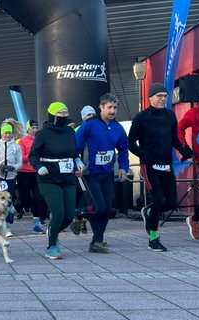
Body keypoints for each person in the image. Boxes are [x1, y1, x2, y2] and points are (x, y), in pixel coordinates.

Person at [128, 83, 191, 252]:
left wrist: (183, 150)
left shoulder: (170, 115)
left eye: (165, 96)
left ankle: (149, 212)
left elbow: (174, 139)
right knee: (158, 199)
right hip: (150, 165)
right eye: (159, 96)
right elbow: (130, 143)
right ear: (150, 98)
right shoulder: (141, 118)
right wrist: (144, 155)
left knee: (171, 201)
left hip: (166, 165)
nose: (163, 99)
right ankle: (153, 239)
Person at [29, 102, 84, 260]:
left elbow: (74, 153)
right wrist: (39, 167)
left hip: (68, 177)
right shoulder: (42, 133)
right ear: (52, 115)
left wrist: (79, 163)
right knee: (58, 212)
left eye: (66, 113)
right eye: (60, 113)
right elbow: (33, 155)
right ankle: (51, 246)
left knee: (68, 215)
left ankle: (52, 231)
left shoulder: (69, 131)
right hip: (49, 178)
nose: (64, 116)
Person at [76, 93, 129, 253]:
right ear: (101, 107)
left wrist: (123, 168)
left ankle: (96, 242)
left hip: (107, 173)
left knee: (107, 209)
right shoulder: (89, 125)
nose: (113, 111)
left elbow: (123, 149)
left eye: (115, 107)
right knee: (99, 207)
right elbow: (76, 146)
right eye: (109, 107)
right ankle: (79, 213)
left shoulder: (117, 128)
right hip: (89, 173)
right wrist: (76, 164)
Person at [178, 83, 199, 240]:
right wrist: (184, 147)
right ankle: (194, 220)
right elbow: (179, 128)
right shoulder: (193, 113)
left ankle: (194, 219)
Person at [16, 120, 48, 234]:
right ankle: (19, 207)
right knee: (24, 196)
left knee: (38, 197)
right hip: (24, 172)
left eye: (36, 128)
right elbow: (20, 157)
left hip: (36, 172)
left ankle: (36, 224)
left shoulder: (40, 140)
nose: (34, 130)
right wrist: (32, 157)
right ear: (28, 129)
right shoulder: (22, 141)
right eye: (32, 128)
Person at [71, 105, 97, 235]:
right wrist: (77, 167)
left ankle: (82, 218)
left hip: (96, 170)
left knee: (91, 198)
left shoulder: (98, 129)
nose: (91, 118)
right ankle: (79, 217)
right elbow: (75, 152)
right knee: (83, 196)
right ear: (83, 118)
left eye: (92, 115)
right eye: (88, 116)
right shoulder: (79, 130)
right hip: (83, 170)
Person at [0, 121, 23, 237]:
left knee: (8, 202)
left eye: (9, 133)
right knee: (0, 202)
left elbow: (20, 163)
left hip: (11, 177)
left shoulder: (16, 146)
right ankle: (3, 227)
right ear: (2, 134)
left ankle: (7, 222)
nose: (7, 135)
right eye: (5, 133)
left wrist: (12, 167)